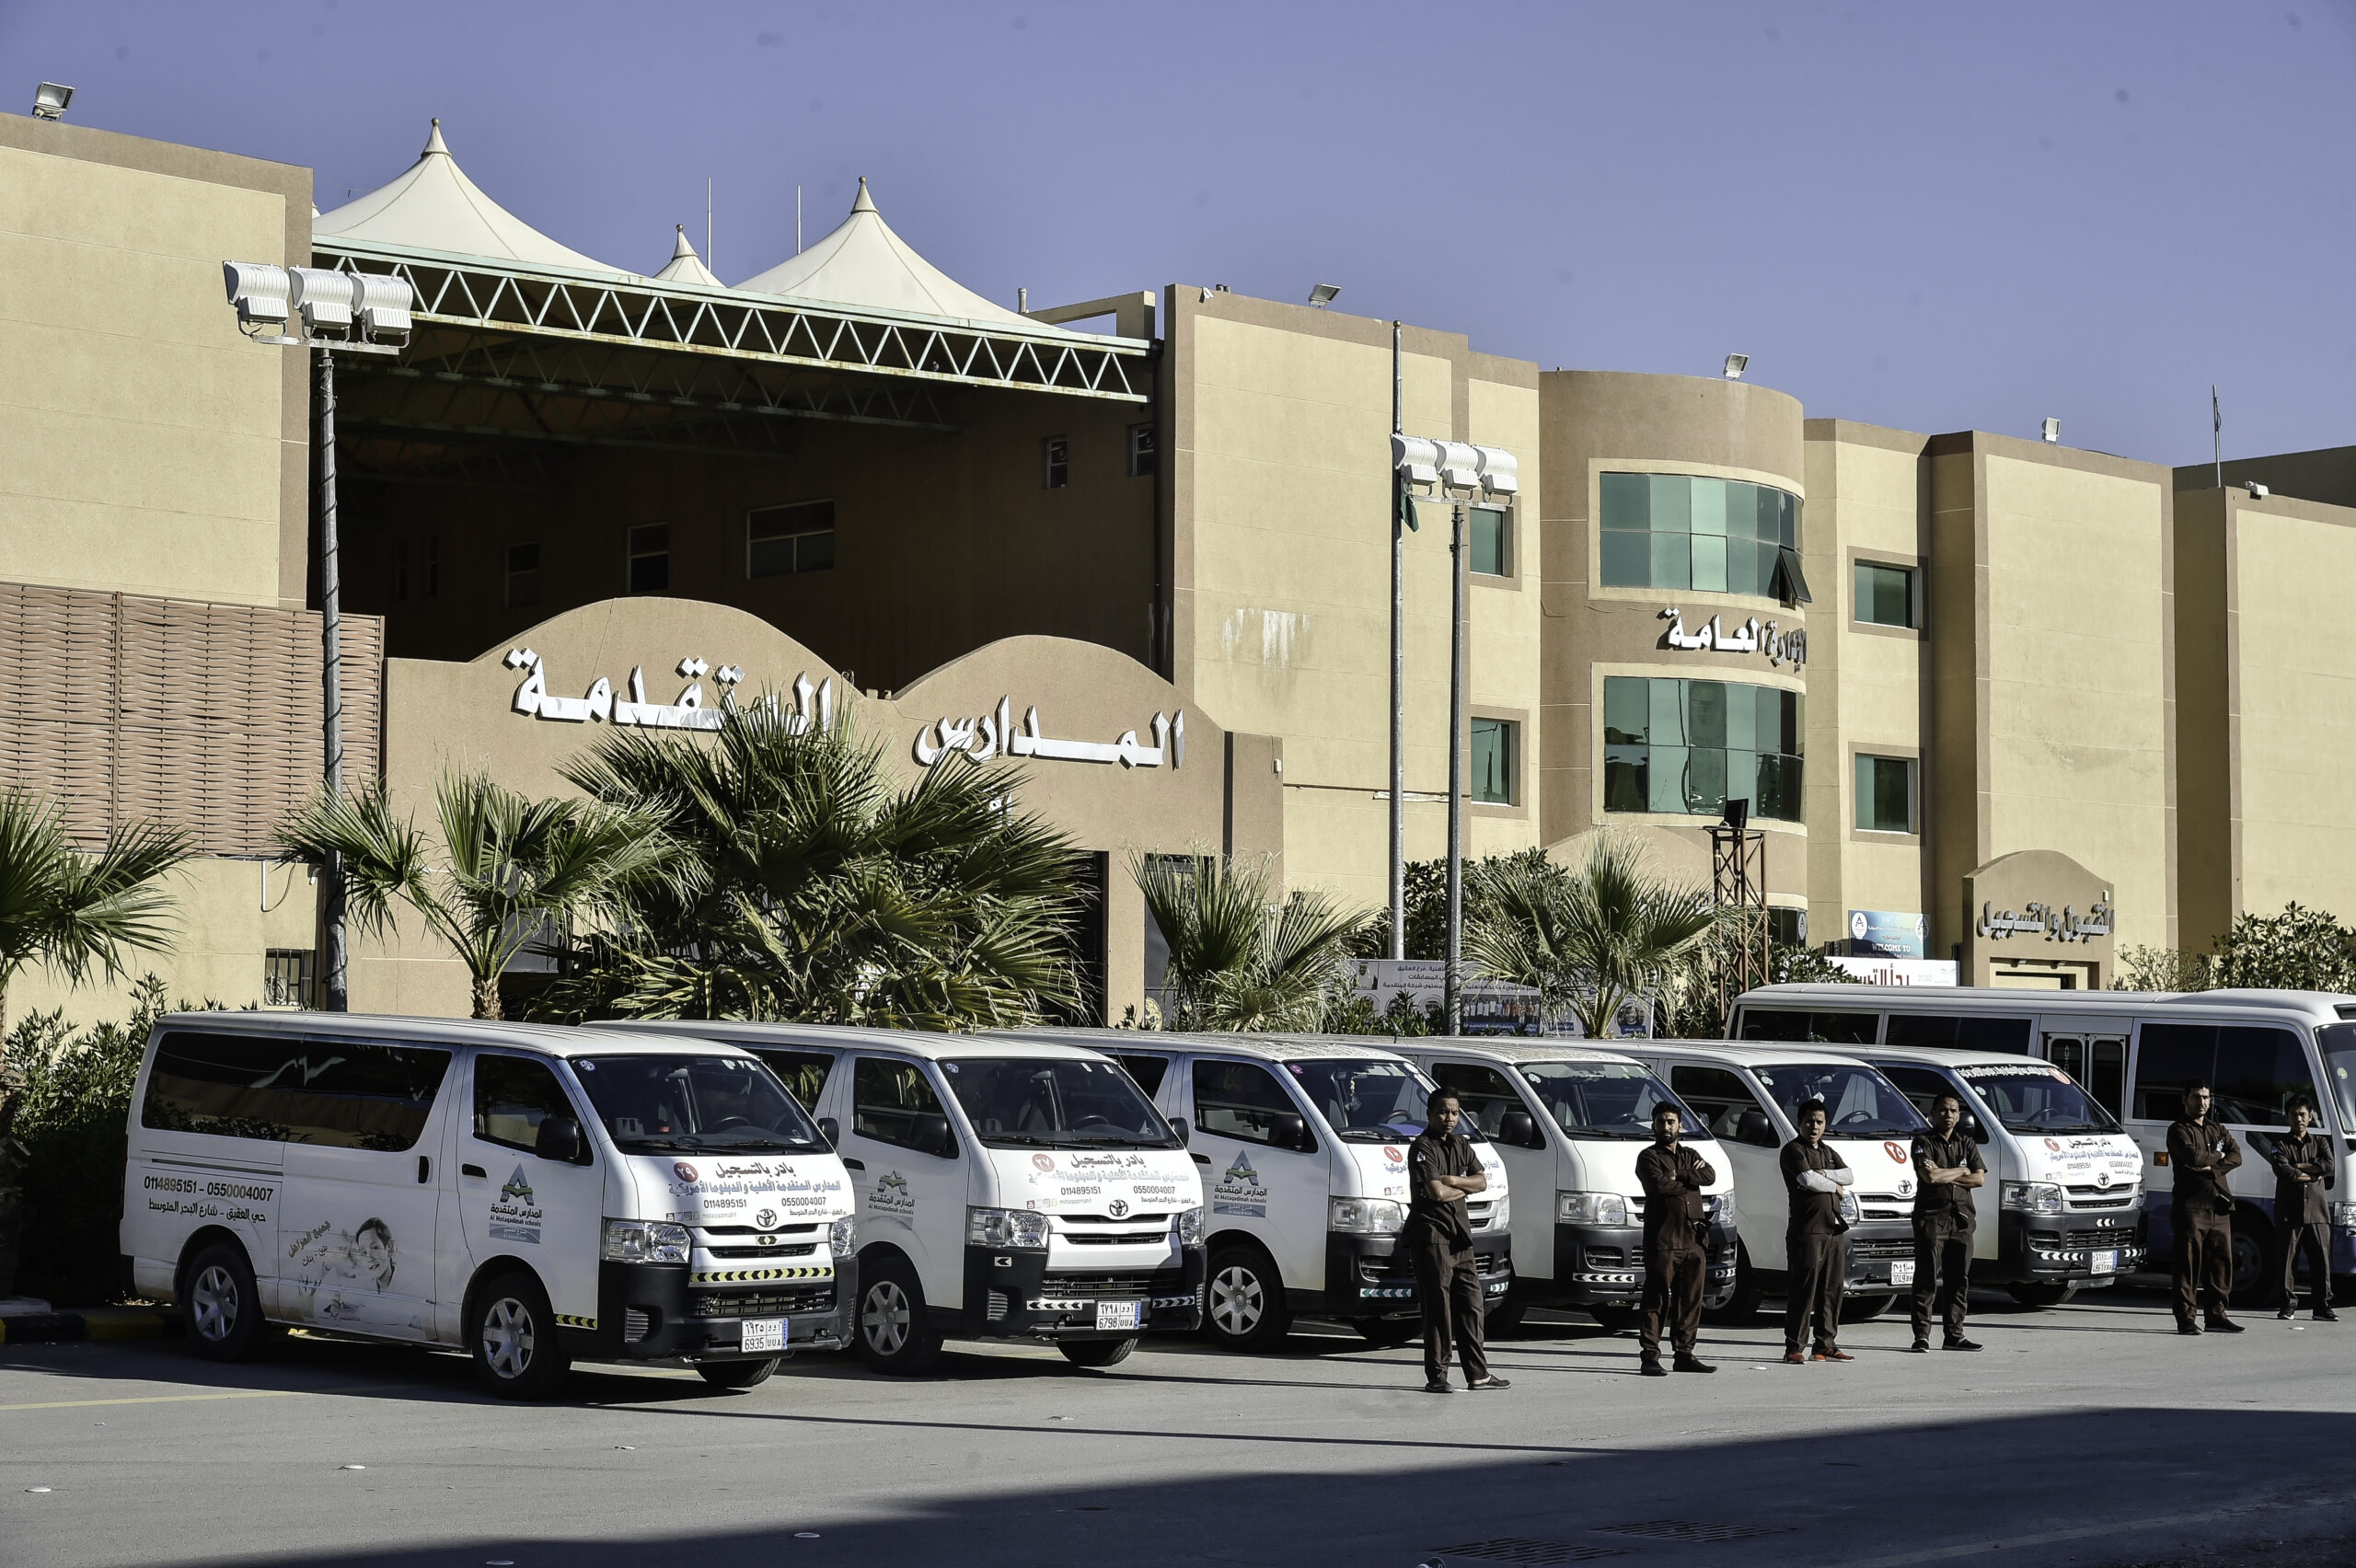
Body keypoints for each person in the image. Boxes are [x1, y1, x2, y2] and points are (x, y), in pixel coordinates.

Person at [1403, 1090, 1509, 1393]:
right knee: (1439, 1308)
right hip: (1432, 1235)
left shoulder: (1461, 1144)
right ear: (1429, 1114)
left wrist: (1454, 1181)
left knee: (1472, 1305)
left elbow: (1482, 1180)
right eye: (1442, 1112)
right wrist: (1464, 1188)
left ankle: (1479, 1375)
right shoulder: (1422, 1147)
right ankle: (1437, 1376)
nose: (1449, 1118)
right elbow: (1436, 1193)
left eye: (1454, 1112)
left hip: (1460, 1236)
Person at [1634, 1102, 1716, 1376]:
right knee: (1656, 1299)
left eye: (1671, 1122)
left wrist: (1679, 1174)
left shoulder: (1689, 1154)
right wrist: (1691, 1181)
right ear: (1653, 1126)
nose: (1666, 1126)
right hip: (1664, 1239)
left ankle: (1684, 1354)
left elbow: (1709, 1175)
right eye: (1660, 1122)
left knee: (1690, 1300)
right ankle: (1650, 1356)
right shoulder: (1648, 1157)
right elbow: (1658, 1186)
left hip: (1693, 1239)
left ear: (1680, 1125)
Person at [1909, 1091, 1987, 1353]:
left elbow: (1979, 1179)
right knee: (1927, 1279)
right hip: (1932, 1219)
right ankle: (1921, 1336)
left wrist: (1947, 1174)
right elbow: (1930, 1177)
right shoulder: (1923, 1142)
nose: (1948, 1115)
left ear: (1959, 1115)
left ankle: (1954, 1335)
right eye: (1943, 1110)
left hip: (1961, 1220)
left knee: (1958, 1280)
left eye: (1953, 1111)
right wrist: (1961, 1171)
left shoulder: (1967, 1142)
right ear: (1933, 1113)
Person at [1781, 1098, 1854, 1365]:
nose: (1814, 1126)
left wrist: (1825, 1173)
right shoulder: (1793, 1150)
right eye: (1809, 1121)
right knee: (1804, 1290)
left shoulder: (1827, 1151)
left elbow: (1849, 1175)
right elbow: (1807, 1180)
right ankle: (1794, 1347)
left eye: (1819, 1122)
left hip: (1833, 1230)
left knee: (1831, 1290)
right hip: (1808, 1231)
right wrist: (1834, 1186)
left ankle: (1825, 1345)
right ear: (1800, 1122)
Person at [2167, 1082, 2244, 1334]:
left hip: (2219, 1206)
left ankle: (2217, 1316)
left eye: (2206, 1097)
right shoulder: (2178, 1130)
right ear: (2185, 1099)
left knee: (2221, 1264)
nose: (2202, 1102)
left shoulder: (2217, 1128)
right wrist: (2219, 1156)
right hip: (2191, 1208)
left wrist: (2212, 1165)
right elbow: (2193, 1158)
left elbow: (2236, 1155)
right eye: (2196, 1097)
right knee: (2188, 1266)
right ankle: (2186, 1320)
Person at [2267, 1096, 2337, 1322]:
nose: (2299, 1118)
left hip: (2317, 1212)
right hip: (2290, 1212)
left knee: (2321, 1261)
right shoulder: (2280, 1144)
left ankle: (2322, 1307)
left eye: (2303, 1114)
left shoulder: (2320, 1142)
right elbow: (2283, 1170)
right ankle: (2287, 1306)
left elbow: (2329, 1165)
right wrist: (2313, 1173)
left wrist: (2300, 1167)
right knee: (2287, 1262)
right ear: (2287, 1117)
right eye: (2294, 1114)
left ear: (2310, 1117)